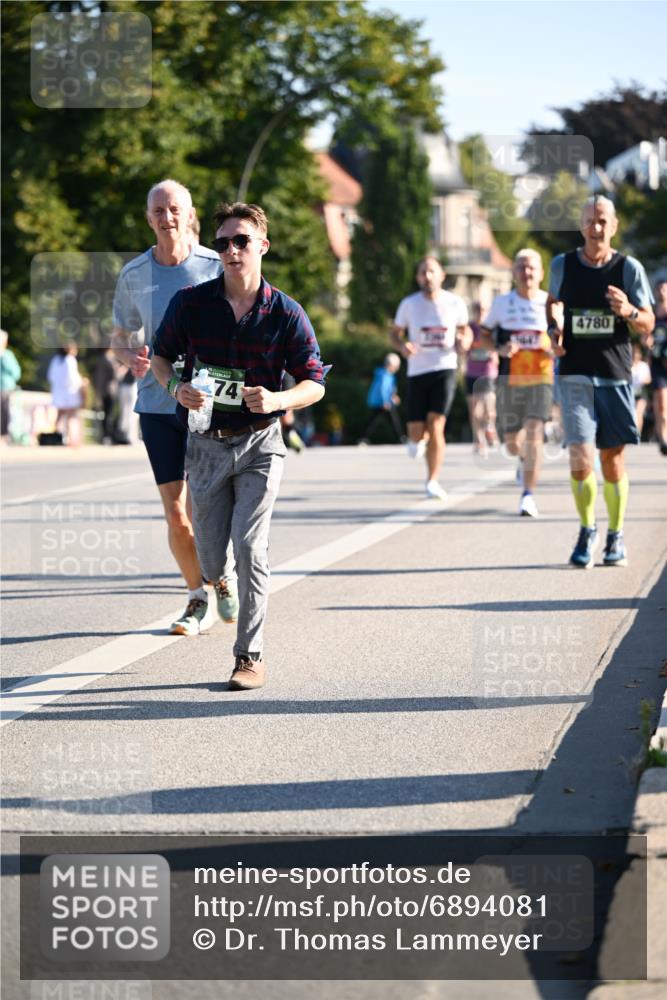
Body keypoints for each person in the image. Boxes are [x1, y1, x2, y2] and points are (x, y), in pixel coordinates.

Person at [151, 201, 326, 691]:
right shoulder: (191, 303)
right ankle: (218, 580)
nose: (231, 250)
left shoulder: (286, 313)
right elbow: (162, 359)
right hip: (206, 444)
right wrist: (174, 390)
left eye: (241, 241)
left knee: (251, 546)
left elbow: (315, 382)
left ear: (262, 246)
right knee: (210, 556)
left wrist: (278, 398)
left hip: (260, 444)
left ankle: (249, 655)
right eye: (224, 242)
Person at [111, 179, 236, 635]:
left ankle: (222, 577)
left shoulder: (213, 264)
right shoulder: (134, 275)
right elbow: (119, 336)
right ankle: (197, 596)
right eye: (159, 210)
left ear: (189, 212)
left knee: (209, 506)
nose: (168, 217)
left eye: (175, 208)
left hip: (207, 404)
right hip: (156, 406)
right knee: (176, 510)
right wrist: (130, 358)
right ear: (149, 218)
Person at [547, 195, 655, 568]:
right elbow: (554, 304)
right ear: (581, 225)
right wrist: (555, 327)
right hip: (575, 374)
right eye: (590, 220)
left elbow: (649, 322)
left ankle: (616, 534)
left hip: (614, 375)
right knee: (580, 457)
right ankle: (587, 528)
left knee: (612, 461)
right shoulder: (562, 265)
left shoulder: (629, 269)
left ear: (615, 225)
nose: (596, 227)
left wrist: (628, 311)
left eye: (603, 220)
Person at [390, 256, 471, 500]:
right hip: (417, 371)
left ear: (441, 275)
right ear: (417, 278)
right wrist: (403, 347)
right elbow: (395, 334)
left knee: (437, 424)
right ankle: (418, 439)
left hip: (445, 367)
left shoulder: (455, 303)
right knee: (416, 433)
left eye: (432, 271)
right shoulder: (409, 304)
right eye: (423, 272)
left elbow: (465, 331)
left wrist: (463, 342)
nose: (428, 276)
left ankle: (432, 480)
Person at [480, 249, 553, 518]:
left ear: (541, 272)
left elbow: (565, 339)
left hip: (541, 379)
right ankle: (523, 462)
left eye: (532, 267)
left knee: (534, 433)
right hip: (509, 379)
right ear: (513, 272)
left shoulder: (551, 303)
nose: (527, 272)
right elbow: (484, 335)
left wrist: (553, 347)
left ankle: (528, 495)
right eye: (521, 267)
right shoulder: (501, 304)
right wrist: (499, 348)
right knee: (511, 443)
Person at [464, 303, 498, 456]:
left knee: (488, 410)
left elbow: (499, 345)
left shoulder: (491, 328)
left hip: (488, 372)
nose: (479, 314)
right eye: (477, 310)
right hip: (471, 372)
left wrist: (494, 351)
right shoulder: (469, 328)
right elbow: (463, 346)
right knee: (475, 410)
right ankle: (479, 440)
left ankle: (490, 426)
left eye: (483, 310)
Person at [359, 352, 404, 444]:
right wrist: (385, 402)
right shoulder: (385, 375)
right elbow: (382, 389)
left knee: (375, 421)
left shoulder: (387, 375)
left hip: (383, 402)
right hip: (382, 403)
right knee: (392, 420)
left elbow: (390, 389)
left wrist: (393, 396)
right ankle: (400, 438)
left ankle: (363, 438)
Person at [46, 342, 85, 446]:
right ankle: (71, 439)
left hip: (58, 393)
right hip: (70, 393)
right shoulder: (70, 360)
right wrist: (82, 382)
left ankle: (57, 437)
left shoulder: (55, 360)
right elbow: (73, 379)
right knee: (71, 417)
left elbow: (50, 377)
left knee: (59, 416)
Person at [648, 279, 667, 455]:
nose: (662, 291)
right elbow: (645, 338)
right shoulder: (652, 315)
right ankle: (663, 440)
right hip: (657, 364)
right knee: (661, 402)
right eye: (659, 288)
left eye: (664, 289)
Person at [92, 347, 118, 444]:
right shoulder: (108, 360)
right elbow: (115, 375)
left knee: (105, 414)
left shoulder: (100, 360)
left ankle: (104, 436)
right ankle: (108, 435)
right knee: (109, 414)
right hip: (109, 390)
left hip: (102, 391)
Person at [0, 329, 21, 443]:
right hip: (4, 388)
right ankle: (2, 435)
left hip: (5, 388)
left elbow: (16, 373)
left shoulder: (7, 355)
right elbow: (16, 373)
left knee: (4, 412)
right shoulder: (6, 355)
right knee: (3, 412)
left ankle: (3, 436)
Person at [631, 343, 651, 438]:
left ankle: (637, 434)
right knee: (631, 414)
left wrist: (641, 381)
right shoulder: (628, 365)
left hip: (641, 392)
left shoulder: (643, 365)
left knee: (639, 413)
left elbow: (648, 379)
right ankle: (631, 433)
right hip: (630, 392)